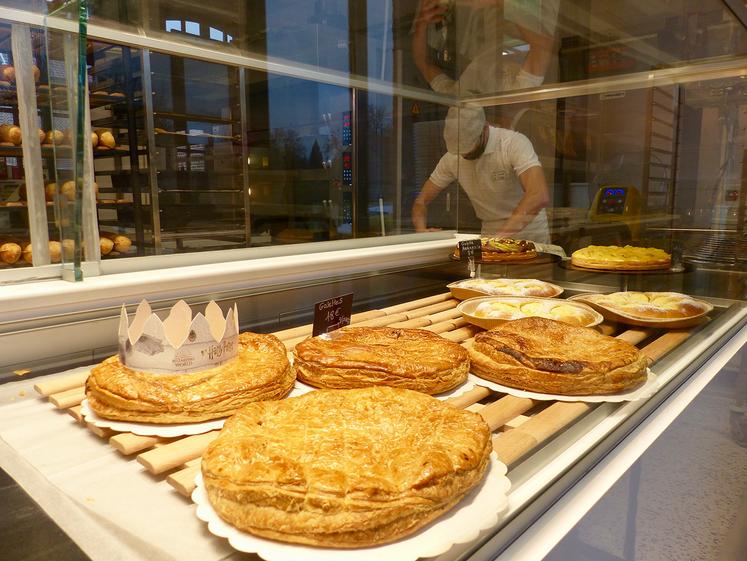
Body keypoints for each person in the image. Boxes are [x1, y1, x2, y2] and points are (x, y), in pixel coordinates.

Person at [412, 106, 550, 242]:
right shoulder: (453, 158)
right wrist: (421, 231)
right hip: (490, 232)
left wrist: (499, 238)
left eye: (470, 150)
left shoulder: (512, 143)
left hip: (529, 232)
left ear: (485, 128)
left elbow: (538, 195)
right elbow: (421, 201)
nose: (465, 156)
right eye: (461, 153)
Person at [411, 0, 559, 97]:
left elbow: (421, 60)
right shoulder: (516, 92)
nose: (456, 119)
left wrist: (422, 22)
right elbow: (544, 47)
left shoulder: (458, 96)